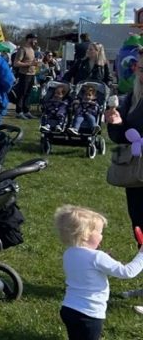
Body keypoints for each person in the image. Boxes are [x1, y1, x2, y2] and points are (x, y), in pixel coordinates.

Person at [55, 205, 143, 340]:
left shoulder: (69, 253)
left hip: (69, 309)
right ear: (85, 235)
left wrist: (105, 259)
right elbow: (127, 272)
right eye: (100, 232)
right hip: (89, 314)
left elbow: (87, 267)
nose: (102, 236)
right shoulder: (97, 257)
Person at [107, 59, 143, 240]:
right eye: (142, 69)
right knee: (139, 223)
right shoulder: (132, 98)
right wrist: (116, 123)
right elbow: (121, 136)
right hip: (137, 172)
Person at [12, 33, 42, 119]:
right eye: (34, 39)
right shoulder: (22, 49)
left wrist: (36, 63)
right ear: (29, 39)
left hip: (32, 74)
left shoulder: (32, 50)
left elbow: (31, 62)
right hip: (24, 75)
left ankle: (26, 111)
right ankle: (19, 112)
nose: (36, 41)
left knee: (28, 94)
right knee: (22, 94)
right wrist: (30, 63)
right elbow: (16, 63)